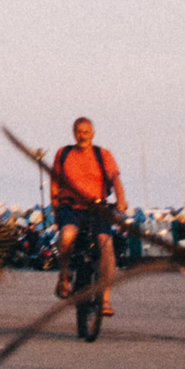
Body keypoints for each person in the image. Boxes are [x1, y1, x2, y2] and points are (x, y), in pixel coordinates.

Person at [49, 118, 123, 317]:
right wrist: (55, 207)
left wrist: (121, 200)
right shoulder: (63, 153)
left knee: (105, 244)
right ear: (74, 133)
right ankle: (64, 275)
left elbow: (115, 179)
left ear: (93, 133)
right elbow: (54, 183)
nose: (83, 135)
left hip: (97, 207)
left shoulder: (103, 155)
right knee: (67, 235)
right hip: (70, 206)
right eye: (79, 132)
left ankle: (105, 298)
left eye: (87, 131)